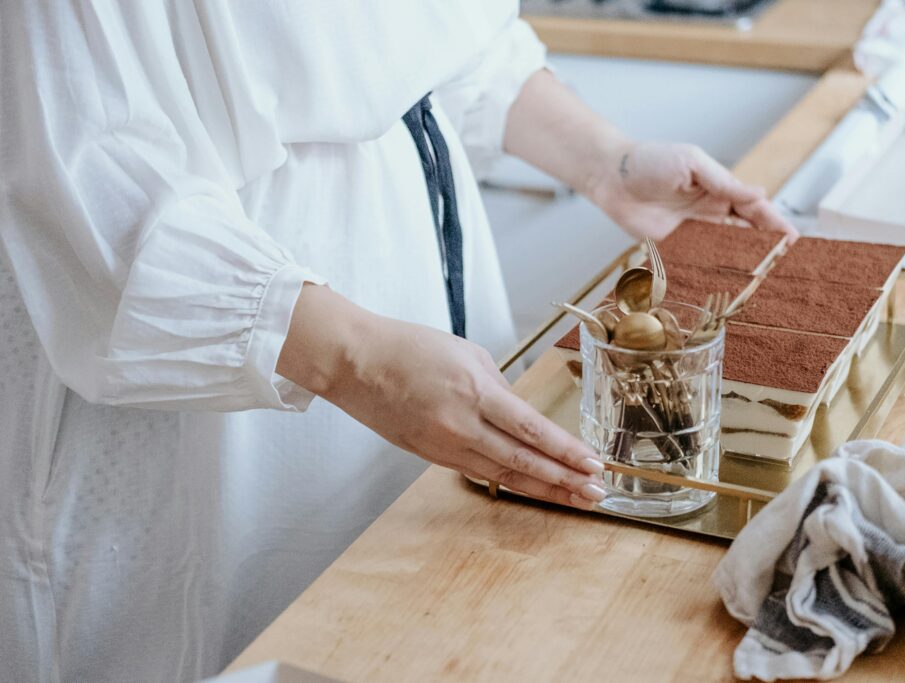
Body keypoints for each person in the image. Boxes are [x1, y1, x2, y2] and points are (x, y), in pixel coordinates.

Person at [0, 2, 796, 681]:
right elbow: (97, 181)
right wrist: (360, 360)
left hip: (415, 334)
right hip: (215, 396)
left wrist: (607, 163)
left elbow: (443, 43)